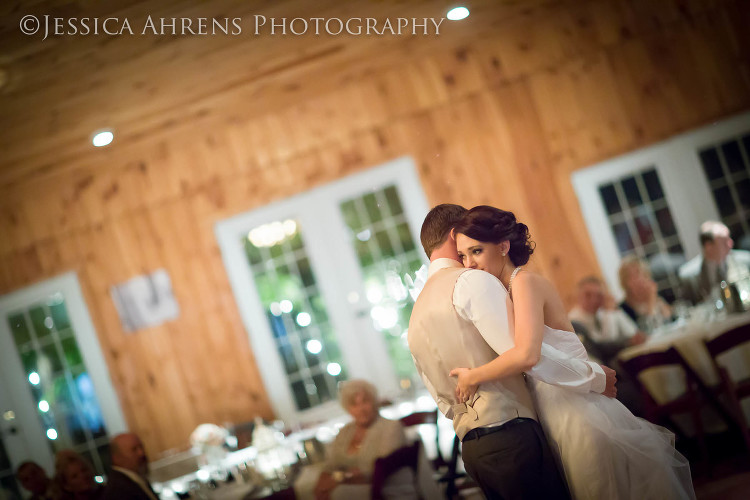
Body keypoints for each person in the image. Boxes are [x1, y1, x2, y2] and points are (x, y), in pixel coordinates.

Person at [450, 205, 695, 500]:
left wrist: (473, 376)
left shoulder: (524, 282)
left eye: (476, 251)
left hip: (576, 410)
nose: (468, 264)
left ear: (503, 246)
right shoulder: (505, 290)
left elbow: (528, 355)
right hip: (554, 408)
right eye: (463, 255)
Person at [408, 204, 616, 500]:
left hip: (473, 450)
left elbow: (443, 400)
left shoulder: (415, 314)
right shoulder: (470, 282)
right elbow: (525, 355)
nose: (470, 261)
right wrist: (594, 378)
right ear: (456, 235)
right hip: (511, 434)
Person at [312, 380, 416, 500]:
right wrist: (323, 480)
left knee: (339, 494)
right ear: (347, 409)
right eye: (354, 404)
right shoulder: (345, 432)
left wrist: (339, 479)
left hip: (387, 491)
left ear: (375, 402)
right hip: (354, 487)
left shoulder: (392, 427)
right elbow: (331, 464)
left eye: (365, 401)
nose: (361, 409)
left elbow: (376, 471)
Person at [568, 276, 646, 361]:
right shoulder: (575, 321)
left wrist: (615, 310)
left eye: (598, 295)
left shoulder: (601, 312)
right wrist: (609, 312)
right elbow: (605, 345)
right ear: (578, 296)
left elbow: (632, 332)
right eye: (588, 295)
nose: (593, 300)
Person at [678, 220, 750, 304]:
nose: (730, 244)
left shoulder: (746, 261)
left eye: (729, 238)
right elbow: (687, 306)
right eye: (724, 241)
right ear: (708, 246)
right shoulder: (688, 275)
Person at [618, 256, 673, 333]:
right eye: (631, 276)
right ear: (625, 283)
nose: (638, 279)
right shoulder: (623, 309)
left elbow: (670, 322)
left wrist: (656, 299)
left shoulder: (657, 297)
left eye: (639, 273)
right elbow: (649, 331)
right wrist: (651, 301)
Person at [101, 433, 158, 500]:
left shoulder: (135, 479)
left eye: (141, 447)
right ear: (117, 458)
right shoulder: (119, 489)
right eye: (134, 449)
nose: (141, 453)